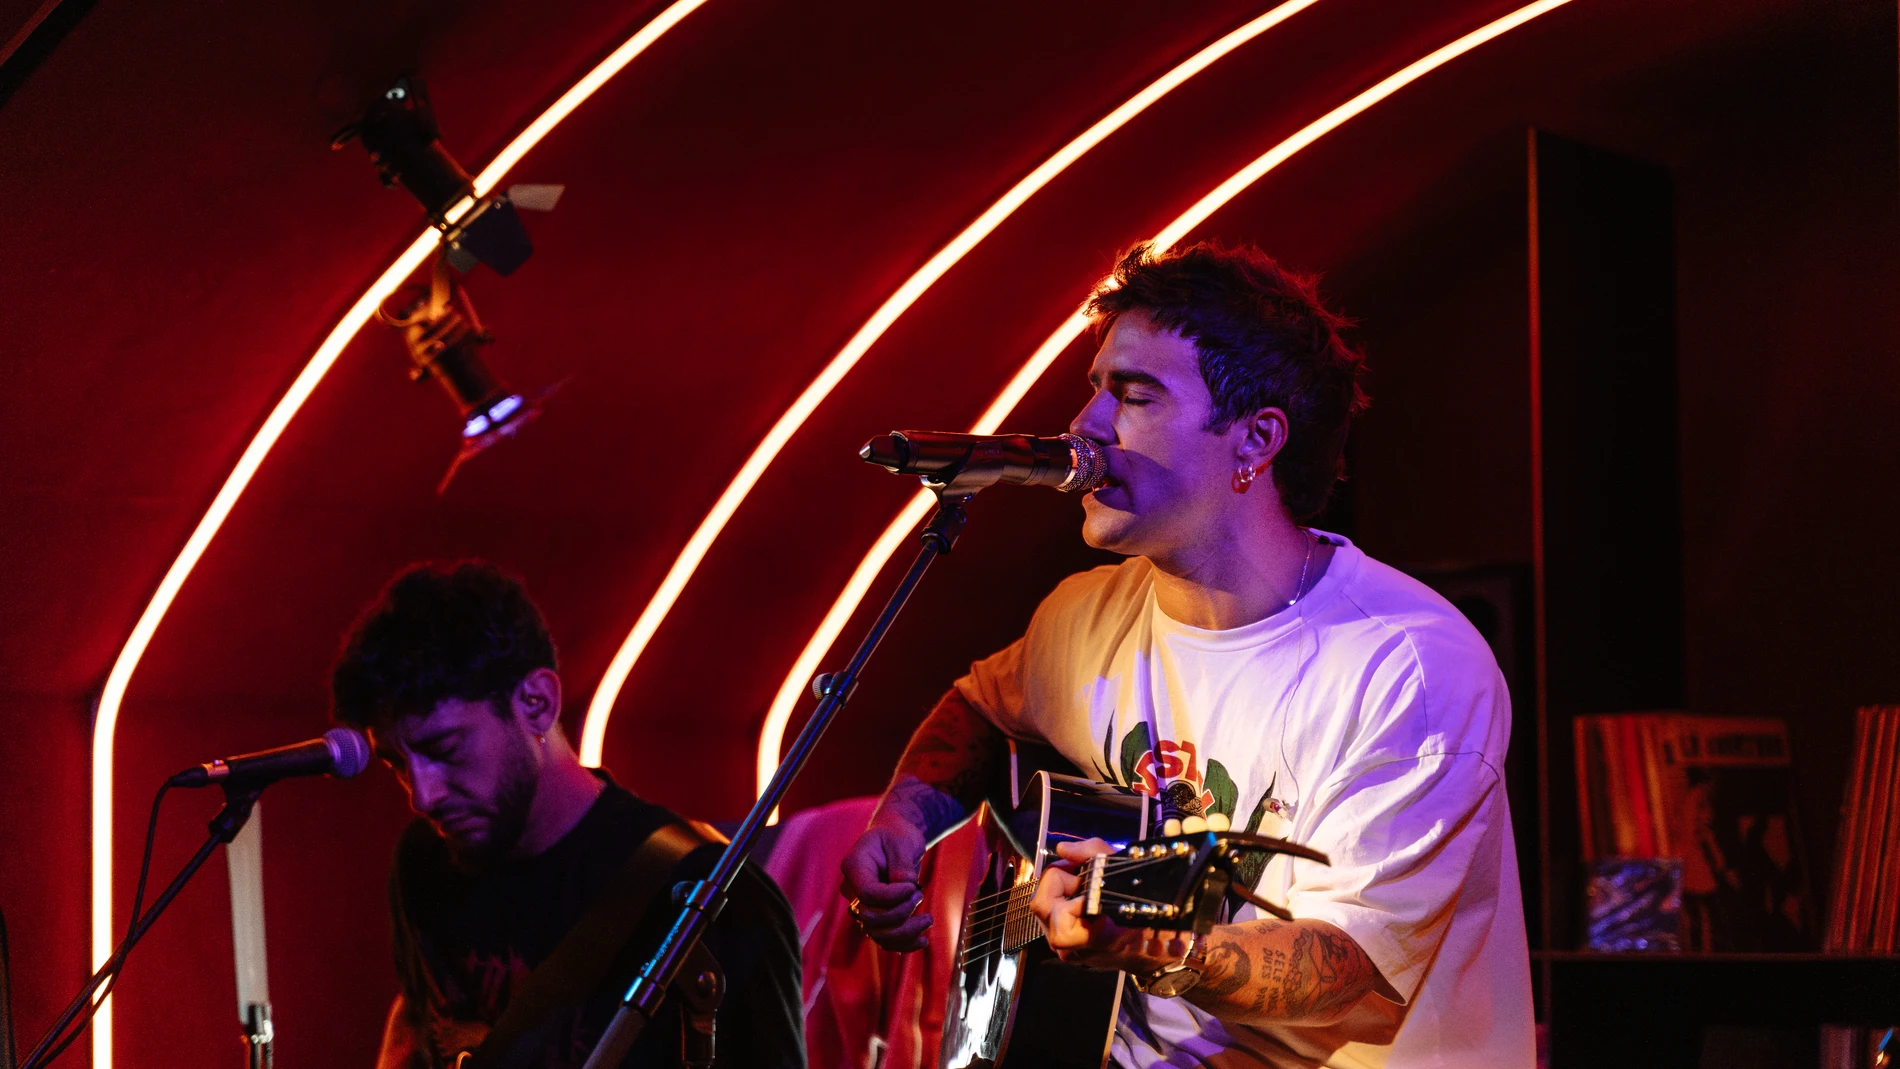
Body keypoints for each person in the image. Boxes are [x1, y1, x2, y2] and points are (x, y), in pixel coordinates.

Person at [841, 242, 1534, 1067]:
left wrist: (1160, 947)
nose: (1085, 426)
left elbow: (1351, 973)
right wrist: (904, 817)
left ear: (1255, 439)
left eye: (1133, 396)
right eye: (1095, 389)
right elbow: (982, 708)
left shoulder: (1410, 669)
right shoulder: (1082, 618)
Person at [333, 561, 805, 1069]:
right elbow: (418, 1027)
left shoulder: (710, 893)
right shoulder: (425, 861)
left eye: (445, 749)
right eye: (397, 763)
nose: (422, 795)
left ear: (536, 702)